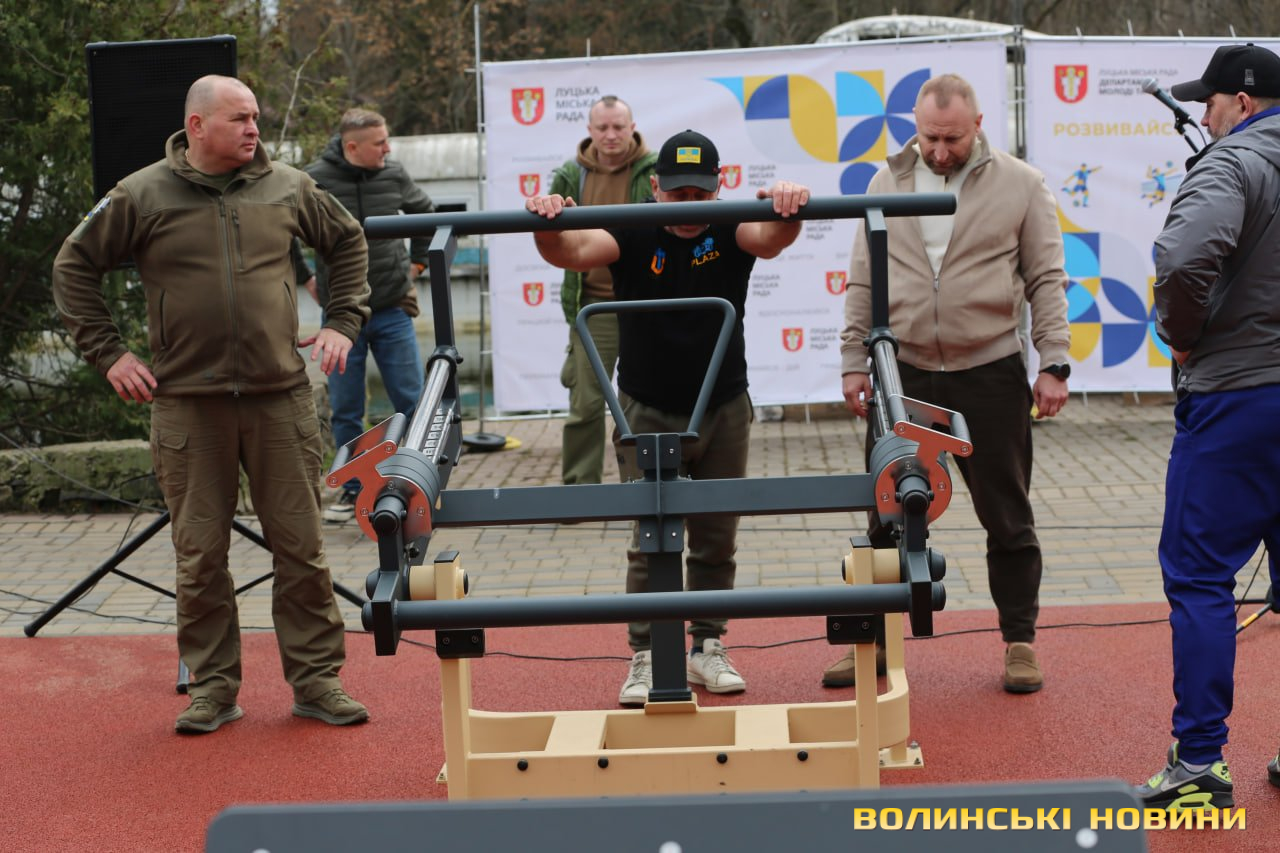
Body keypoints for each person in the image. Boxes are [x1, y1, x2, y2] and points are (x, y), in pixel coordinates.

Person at [52, 75, 372, 734]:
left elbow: (347, 241)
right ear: (197, 126)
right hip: (187, 405)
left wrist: (342, 320)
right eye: (239, 118)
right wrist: (110, 355)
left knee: (302, 550)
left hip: (279, 397)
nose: (254, 129)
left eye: (255, 117)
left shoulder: (288, 186)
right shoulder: (140, 193)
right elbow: (73, 267)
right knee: (200, 557)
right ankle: (213, 688)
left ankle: (317, 681)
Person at [525, 130, 809, 706]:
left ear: (720, 187)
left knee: (716, 536)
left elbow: (771, 238)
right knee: (651, 538)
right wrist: (546, 222)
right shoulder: (634, 225)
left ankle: (707, 645)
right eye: (677, 194)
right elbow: (570, 252)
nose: (688, 207)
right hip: (647, 408)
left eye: (700, 195)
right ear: (654, 188)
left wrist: (788, 206)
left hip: (722, 405)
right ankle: (648, 653)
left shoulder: (731, 223)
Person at [831, 73, 1070, 694]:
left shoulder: (1022, 184)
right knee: (885, 513)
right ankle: (871, 643)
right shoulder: (886, 183)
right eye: (929, 138)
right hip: (901, 372)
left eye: (953, 140)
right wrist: (854, 360)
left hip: (989, 370)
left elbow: (1046, 278)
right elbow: (863, 277)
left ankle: (1020, 641)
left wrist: (1053, 361)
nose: (939, 151)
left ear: (979, 125)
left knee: (1007, 514)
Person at [1136, 42, 1280, 812]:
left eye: (1210, 101)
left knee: (1198, 576)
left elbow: (1185, 260)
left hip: (1239, 397)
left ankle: (1197, 760)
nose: (1203, 113)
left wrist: (1184, 336)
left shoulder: (1231, 163)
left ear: (1243, 104)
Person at [293, 108, 436, 523]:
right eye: (380, 143)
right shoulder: (313, 179)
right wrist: (305, 277)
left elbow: (427, 215)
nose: (388, 149)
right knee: (346, 407)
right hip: (341, 318)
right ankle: (355, 490)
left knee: (412, 401)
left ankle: (419, 483)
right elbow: (284, 233)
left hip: (391, 307)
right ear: (352, 146)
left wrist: (417, 265)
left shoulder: (393, 174)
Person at [552, 95, 659, 486]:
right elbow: (556, 237)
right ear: (589, 130)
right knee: (586, 404)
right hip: (594, 306)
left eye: (618, 126)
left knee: (651, 404)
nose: (611, 135)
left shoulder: (657, 170)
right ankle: (581, 493)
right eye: (603, 127)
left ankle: (652, 487)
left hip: (647, 304)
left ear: (633, 128)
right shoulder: (570, 175)